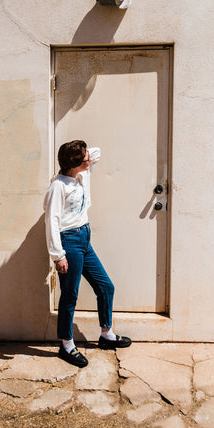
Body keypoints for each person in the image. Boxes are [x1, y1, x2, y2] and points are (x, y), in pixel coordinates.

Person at [43, 140, 131, 368]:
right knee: (70, 295)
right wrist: (58, 255)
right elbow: (51, 221)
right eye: (84, 159)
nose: (89, 160)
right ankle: (67, 345)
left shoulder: (80, 175)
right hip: (69, 242)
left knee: (105, 286)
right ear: (74, 163)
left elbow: (97, 152)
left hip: (85, 238)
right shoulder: (58, 186)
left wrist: (82, 152)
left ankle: (106, 335)